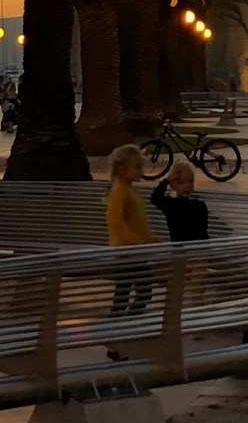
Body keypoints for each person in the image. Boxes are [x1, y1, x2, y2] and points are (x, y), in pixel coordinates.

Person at [106, 144, 154, 359]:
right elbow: (116, 222)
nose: (141, 172)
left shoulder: (129, 190)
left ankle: (123, 332)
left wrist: (150, 241)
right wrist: (138, 242)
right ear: (121, 169)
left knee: (141, 293)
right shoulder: (119, 191)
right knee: (126, 295)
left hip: (137, 251)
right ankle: (116, 337)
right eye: (137, 167)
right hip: (127, 253)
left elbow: (137, 222)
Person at [151, 161, 209, 242]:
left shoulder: (199, 205)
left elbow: (203, 232)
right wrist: (167, 180)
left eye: (190, 181)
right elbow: (155, 198)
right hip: (184, 248)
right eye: (181, 183)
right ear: (173, 185)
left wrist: (167, 180)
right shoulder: (171, 204)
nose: (187, 186)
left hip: (196, 247)